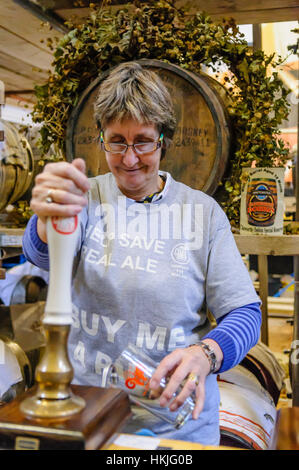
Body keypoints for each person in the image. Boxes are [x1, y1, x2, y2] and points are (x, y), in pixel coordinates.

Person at [22, 62, 261, 446]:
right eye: (117, 141)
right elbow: (44, 253)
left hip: (179, 426)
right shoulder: (86, 196)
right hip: (90, 415)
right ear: (101, 138)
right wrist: (48, 215)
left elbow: (245, 313)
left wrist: (206, 354)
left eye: (143, 141)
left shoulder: (201, 212)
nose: (130, 159)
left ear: (163, 139)